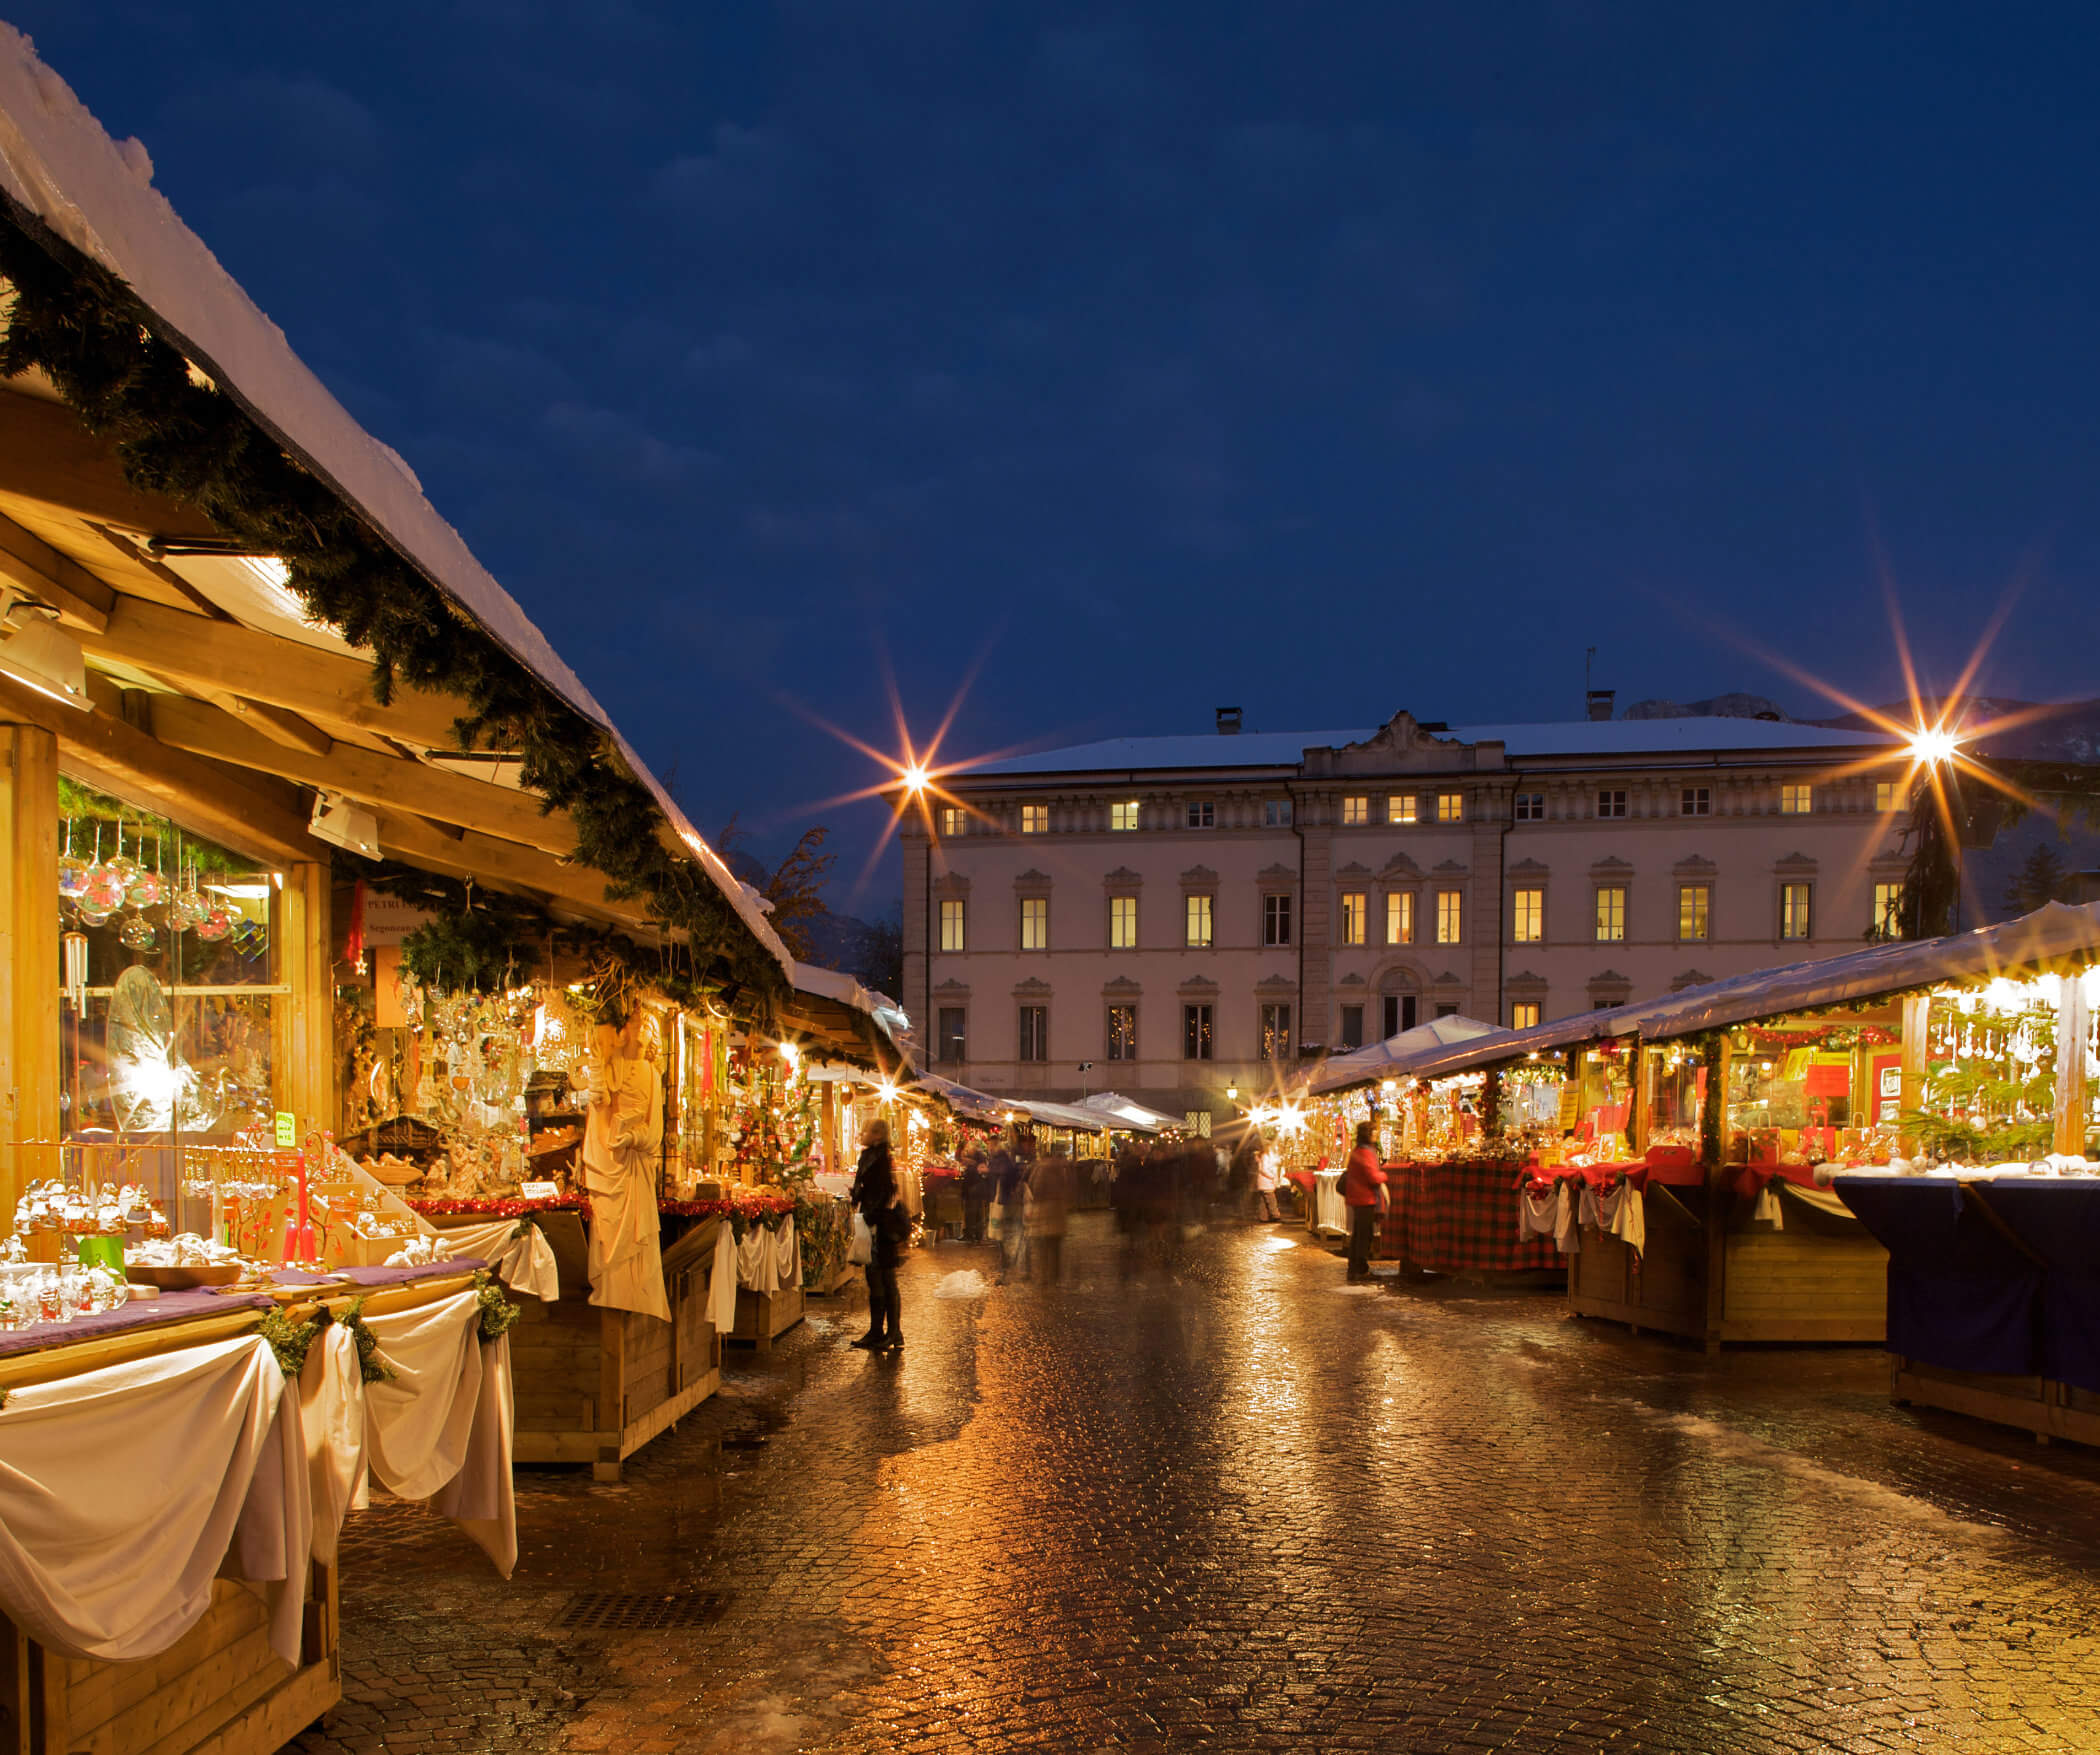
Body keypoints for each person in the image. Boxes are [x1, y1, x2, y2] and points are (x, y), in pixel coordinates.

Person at [581, 1012, 669, 1321]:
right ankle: (612, 1289)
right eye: (638, 1024)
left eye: (649, 1026)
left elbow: (655, 1131)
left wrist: (632, 1136)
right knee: (608, 1230)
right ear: (625, 1030)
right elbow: (599, 1102)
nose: (643, 1030)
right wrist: (595, 1066)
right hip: (611, 1163)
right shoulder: (611, 1066)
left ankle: (636, 1292)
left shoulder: (651, 1074)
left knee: (637, 1236)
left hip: (635, 1166)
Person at [850, 1117, 906, 1351]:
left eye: (864, 1131)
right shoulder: (869, 1157)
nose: (861, 1134)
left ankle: (892, 1332)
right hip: (871, 1221)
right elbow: (864, 1187)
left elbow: (883, 1192)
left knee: (885, 1278)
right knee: (874, 1278)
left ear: (876, 1135)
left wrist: (871, 1216)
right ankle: (877, 1330)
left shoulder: (881, 1159)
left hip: (881, 1225)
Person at [1342, 1122, 1389, 1282]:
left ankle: (1354, 1268)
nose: (1376, 1135)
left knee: (1359, 1234)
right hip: (1365, 1198)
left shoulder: (1358, 1150)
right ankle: (1360, 1269)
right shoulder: (1366, 1153)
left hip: (1357, 1197)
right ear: (1368, 1134)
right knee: (1364, 1235)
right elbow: (1373, 1177)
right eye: (1374, 1132)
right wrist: (1384, 1175)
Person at [1026, 1146, 1072, 1283]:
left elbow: (1034, 1187)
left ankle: (1044, 1275)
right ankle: (1055, 1275)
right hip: (1058, 1212)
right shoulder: (1061, 1169)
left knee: (1043, 1246)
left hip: (1044, 1211)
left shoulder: (1040, 1169)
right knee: (1055, 1246)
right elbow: (1068, 1188)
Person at [1254, 1135, 1284, 1223]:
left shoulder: (1264, 1155)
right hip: (1266, 1181)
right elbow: (1264, 1169)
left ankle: (1263, 1217)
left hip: (1264, 1181)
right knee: (1271, 1200)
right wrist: (1272, 1176)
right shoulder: (1265, 1156)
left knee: (1264, 1200)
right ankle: (1275, 1215)